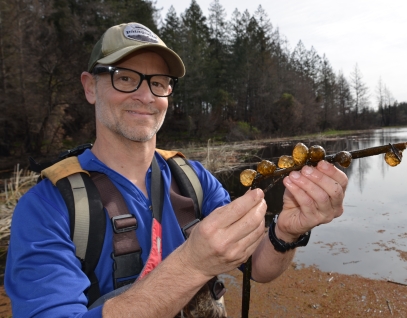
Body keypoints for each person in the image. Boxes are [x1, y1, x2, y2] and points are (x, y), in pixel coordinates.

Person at [5, 22, 348, 317]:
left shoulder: (193, 179)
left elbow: (257, 266)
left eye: (158, 82)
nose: (146, 96)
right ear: (91, 87)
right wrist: (193, 264)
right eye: (126, 78)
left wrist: (286, 233)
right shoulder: (46, 207)